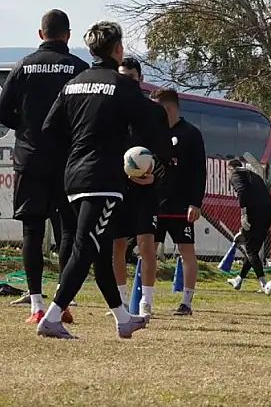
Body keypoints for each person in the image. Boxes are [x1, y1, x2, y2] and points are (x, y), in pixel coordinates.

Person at [36, 20, 173, 339]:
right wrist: (159, 162)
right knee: (85, 249)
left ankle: (123, 318)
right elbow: (153, 122)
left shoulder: (75, 83)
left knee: (97, 251)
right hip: (103, 180)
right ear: (117, 49)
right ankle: (52, 317)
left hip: (73, 177)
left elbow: (49, 129)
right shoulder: (121, 86)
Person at [0, 9, 88, 324]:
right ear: (68, 34)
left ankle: (36, 304)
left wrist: (25, 127)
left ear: (41, 34)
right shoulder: (79, 69)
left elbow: (2, 111)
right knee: (68, 228)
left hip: (29, 158)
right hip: (67, 161)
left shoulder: (23, 66)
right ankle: (61, 304)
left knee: (31, 230)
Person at [111, 58, 172, 317]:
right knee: (117, 246)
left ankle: (146, 301)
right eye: (122, 76)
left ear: (140, 79)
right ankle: (121, 302)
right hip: (118, 187)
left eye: (132, 77)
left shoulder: (155, 112)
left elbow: (165, 153)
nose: (128, 81)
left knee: (147, 246)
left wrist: (153, 174)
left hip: (147, 189)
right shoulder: (109, 108)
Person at [151, 88, 207, 316]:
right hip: (154, 203)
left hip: (180, 206)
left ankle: (186, 302)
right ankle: (144, 300)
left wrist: (195, 202)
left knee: (186, 251)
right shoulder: (153, 132)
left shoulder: (191, 134)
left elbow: (199, 172)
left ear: (169, 108)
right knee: (148, 251)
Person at [225, 159, 271, 291]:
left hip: (255, 211)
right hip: (269, 210)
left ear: (230, 168)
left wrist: (244, 213)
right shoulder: (253, 174)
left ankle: (264, 284)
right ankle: (239, 279)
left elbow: (241, 191)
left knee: (250, 250)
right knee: (253, 249)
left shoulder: (234, 174)